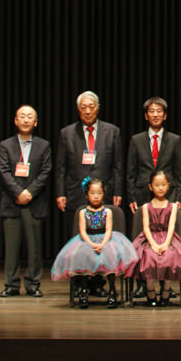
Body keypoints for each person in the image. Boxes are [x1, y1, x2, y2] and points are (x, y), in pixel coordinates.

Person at [55, 91, 124, 297]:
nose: (87, 111)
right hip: (75, 193)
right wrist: (60, 193)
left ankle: (97, 283)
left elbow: (118, 166)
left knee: (100, 238)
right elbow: (61, 167)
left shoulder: (112, 131)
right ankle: (79, 283)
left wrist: (117, 191)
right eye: (83, 107)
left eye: (91, 107)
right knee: (78, 240)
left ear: (98, 108)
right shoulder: (67, 133)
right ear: (78, 110)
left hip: (103, 193)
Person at [127, 96, 181, 299]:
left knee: (166, 240)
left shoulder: (174, 140)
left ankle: (165, 284)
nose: (155, 114)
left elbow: (179, 172)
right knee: (142, 241)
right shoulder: (136, 140)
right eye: (151, 111)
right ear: (146, 115)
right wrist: (131, 196)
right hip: (142, 196)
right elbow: (131, 172)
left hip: (167, 196)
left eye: (159, 111)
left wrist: (178, 198)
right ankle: (143, 284)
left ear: (165, 115)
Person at [51, 178, 138, 309]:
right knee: (83, 255)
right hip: (88, 240)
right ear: (87, 195)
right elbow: (82, 232)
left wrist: (102, 244)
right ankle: (84, 289)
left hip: (106, 240)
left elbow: (109, 230)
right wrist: (91, 245)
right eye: (92, 193)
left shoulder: (107, 212)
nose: (96, 196)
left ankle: (112, 290)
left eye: (99, 193)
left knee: (111, 256)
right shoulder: (83, 212)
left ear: (103, 194)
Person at [0, 105, 51, 297]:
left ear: (35, 122)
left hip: (34, 202)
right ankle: (11, 284)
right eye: (22, 116)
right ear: (16, 120)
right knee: (11, 247)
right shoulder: (6, 145)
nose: (26, 119)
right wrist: (18, 193)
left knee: (34, 247)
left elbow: (45, 172)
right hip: (12, 202)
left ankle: (32, 283)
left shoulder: (44, 145)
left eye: (30, 117)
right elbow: (4, 171)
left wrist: (29, 192)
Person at [131, 170, 181, 307]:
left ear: (168, 186)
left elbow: (171, 227)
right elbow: (146, 228)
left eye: (163, 185)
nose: (160, 188)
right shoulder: (146, 207)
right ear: (150, 187)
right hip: (150, 238)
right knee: (148, 256)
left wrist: (165, 244)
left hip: (167, 238)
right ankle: (150, 291)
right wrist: (153, 244)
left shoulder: (173, 206)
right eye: (157, 185)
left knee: (170, 256)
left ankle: (166, 291)